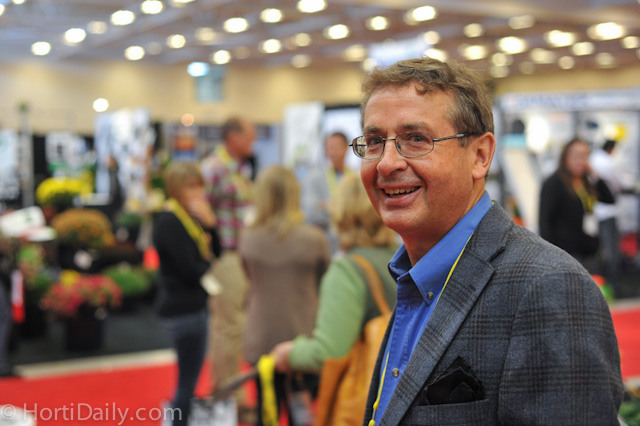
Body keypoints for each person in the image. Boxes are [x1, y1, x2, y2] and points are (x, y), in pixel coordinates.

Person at [351, 58, 622, 425]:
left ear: (480, 156)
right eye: (374, 142)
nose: (386, 163)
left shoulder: (549, 287)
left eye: (416, 139)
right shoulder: (413, 276)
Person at [270, 173, 397, 374]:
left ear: (341, 215)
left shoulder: (347, 271)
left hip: (370, 383)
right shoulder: (403, 256)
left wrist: (291, 353)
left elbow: (329, 353)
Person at [239, 165, 330, 425]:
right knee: (302, 416)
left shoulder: (248, 238)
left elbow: (250, 278)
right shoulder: (315, 239)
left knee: (264, 411)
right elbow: (323, 280)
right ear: (294, 194)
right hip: (303, 338)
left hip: (261, 337)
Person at [152, 162, 220, 426]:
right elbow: (191, 269)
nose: (197, 192)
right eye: (190, 186)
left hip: (194, 306)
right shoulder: (170, 221)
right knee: (187, 383)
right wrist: (206, 261)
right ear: (175, 188)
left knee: (189, 380)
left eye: (199, 186)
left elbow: (216, 253)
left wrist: (211, 225)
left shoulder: (191, 218)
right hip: (183, 309)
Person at [200, 116, 255, 402]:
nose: (253, 141)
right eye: (249, 135)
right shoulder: (214, 168)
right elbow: (200, 211)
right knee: (229, 325)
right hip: (225, 256)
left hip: (240, 255)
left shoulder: (238, 168)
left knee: (233, 325)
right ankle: (227, 393)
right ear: (233, 137)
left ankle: (228, 390)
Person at [539, 137, 615, 269]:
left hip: (589, 252)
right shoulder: (554, 183)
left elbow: (609, 199)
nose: (581, 161)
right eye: (577, 156)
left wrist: (594, 174)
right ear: (566, 157)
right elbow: (545, 223)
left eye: (585, 156)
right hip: (566, 256)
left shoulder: (586, 182)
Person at [301, 132, 354, 252]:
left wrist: (327, 206)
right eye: (329, 148)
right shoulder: (315, 177)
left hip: (351, 243)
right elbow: (311, 212)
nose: (332, 152)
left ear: (346, 148)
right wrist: (344, 209)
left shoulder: (354, 176)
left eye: (335, 147)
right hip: (324, 244)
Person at [590, 139, 622, 293]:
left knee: (596, 251)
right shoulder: (608, 162)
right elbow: (617, 186)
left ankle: (599, 284)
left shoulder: (593, 160)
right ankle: (613, 285)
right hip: (607, 213)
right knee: (610, 251)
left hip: (593, 214)